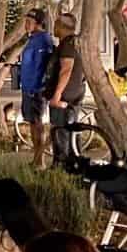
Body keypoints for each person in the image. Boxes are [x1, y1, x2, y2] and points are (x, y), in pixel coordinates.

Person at [17, 7, 56, 169]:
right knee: (32, 123)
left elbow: (45, 66)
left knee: (38, 124)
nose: (26, 24)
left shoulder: (44, 41)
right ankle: (36, 158)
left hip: (36, 90)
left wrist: (39, 86)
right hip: (27, 88)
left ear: (39, 23)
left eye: (29, 22)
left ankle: (40, 161)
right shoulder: (32, 39)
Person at [45, 11, 86, 166]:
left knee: (60, 130)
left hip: (65, 95)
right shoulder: (70, 43)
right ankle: (73, 163)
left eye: (56, 24)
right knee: (70, 129)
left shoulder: (68, 45)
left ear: (62, 27)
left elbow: (66, 70)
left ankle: (62, 165)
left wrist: (57, 95)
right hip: (72, 92)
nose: (54, 27)